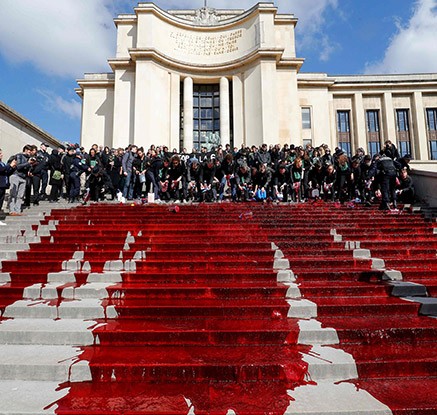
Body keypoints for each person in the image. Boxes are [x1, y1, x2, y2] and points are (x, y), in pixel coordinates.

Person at [8, 145, 37, 215]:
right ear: (26, 150)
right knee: (13, 194)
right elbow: (18, 167)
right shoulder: (19, 156)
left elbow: (26, 168)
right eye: (29, 152)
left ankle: (17, 211)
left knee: (20, 195)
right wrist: (28, 163)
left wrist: (31, 166)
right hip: (16, 176)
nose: (30, 154)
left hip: (24, 178)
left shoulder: (28, 158)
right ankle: (12, 210)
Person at [0, 148, 17, 221]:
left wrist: (13, 168)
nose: (1, 155)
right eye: (0, 154)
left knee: (0, 202)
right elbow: (1, 170)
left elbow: (6, 173)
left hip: (3, 185)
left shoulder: (2, 163)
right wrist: (9, 165)